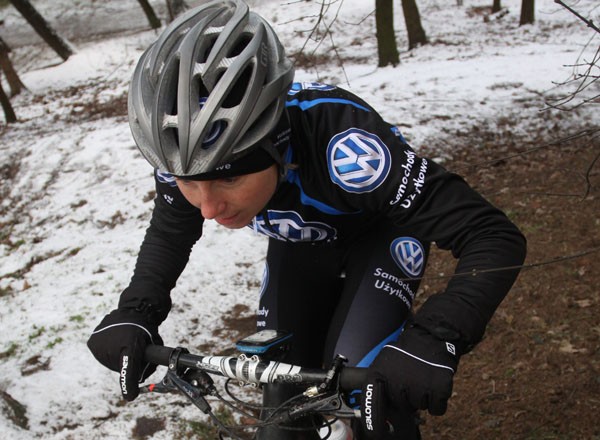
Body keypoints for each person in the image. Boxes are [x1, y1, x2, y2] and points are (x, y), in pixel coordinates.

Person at [87, 1, 527, 439]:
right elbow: (171, 232)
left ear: (273, 144)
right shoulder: (183, 152)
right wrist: (136, 311)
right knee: (282, 402)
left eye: (230, 178)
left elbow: (491, 235)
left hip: (380, 235)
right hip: (299, 245)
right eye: (188, 182)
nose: (207, 207)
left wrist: (436, 335)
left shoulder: (345, 145)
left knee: (368, 395)